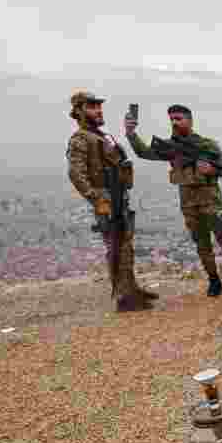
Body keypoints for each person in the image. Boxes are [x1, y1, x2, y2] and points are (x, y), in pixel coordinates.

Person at [124, 105, 222, 297]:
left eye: (178, 118)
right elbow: (144, 152)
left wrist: (212, 171)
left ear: (189, 120)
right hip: (189, 203)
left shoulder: (207, 145)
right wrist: (131, 134)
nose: (174, 122)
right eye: (171, 118)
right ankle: (214, 280)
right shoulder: (170, 147)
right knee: (201, 243)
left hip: (211, 200)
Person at [67, 91, 156, 312]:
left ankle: (131, 288)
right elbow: (76, 174)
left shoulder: (100, 135)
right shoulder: (80, 139)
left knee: (126, 247)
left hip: (118, 196)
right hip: (107, 200)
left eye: (99, 106)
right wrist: (97, 198)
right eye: (92, 106)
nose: (98, 110)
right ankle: (123, 298)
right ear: (79, 111)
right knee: (116, 247)